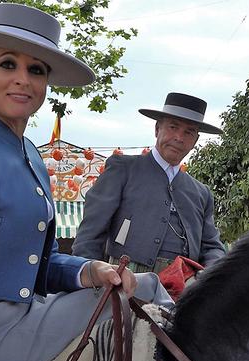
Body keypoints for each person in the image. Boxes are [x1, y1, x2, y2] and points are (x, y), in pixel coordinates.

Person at [0, 4, 173, 361]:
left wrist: (89, 270)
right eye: (8, 64)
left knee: (140, 286)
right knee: (147, 291)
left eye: (35, 69)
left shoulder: (32, 157)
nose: (23, 78)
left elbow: (44, 264)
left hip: (27, 317)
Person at [73, 92, 226, 273]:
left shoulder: (201, 193)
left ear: (195, 141)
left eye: (189, 132)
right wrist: (89, 278)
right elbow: (90, 235)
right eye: (173, 127)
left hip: (184, 290)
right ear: (157, 129)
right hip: (124, 283)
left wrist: (212, 274)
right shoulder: (123, 169)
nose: (179, 137)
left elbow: (211, 246)